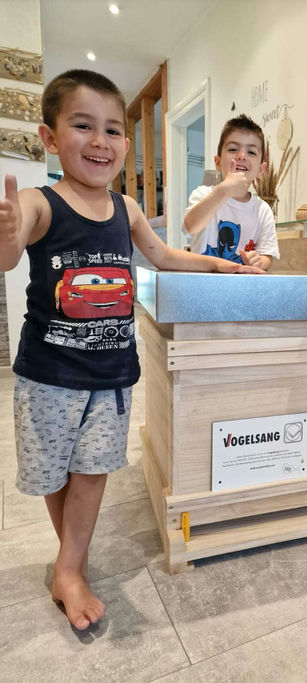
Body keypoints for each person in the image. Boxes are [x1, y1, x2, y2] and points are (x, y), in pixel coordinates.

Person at [0, 69, 264, 631]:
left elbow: (164, 256)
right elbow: (9, 249)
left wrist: (218, 264)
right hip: (49, 374)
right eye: (82, 125)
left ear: (125, 143)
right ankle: (72, 564)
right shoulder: (39, 202)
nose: (101, 140)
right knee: (55, 474)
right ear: (49, 138)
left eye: (113, 130)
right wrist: (6, 234)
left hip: (111, 373)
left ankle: (68, 569)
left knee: (93, 470)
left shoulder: (126, 208)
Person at [183, 114, 279, 270]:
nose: (241, 156)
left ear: (261, 169)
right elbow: (190, 226)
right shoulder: (203, 194)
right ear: (218, 162)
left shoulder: (262, 210)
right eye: (233, 149)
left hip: (241, 283)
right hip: (203, 282)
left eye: (251, 152)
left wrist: (259, 261)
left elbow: (267, 255)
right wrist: (223, 190)